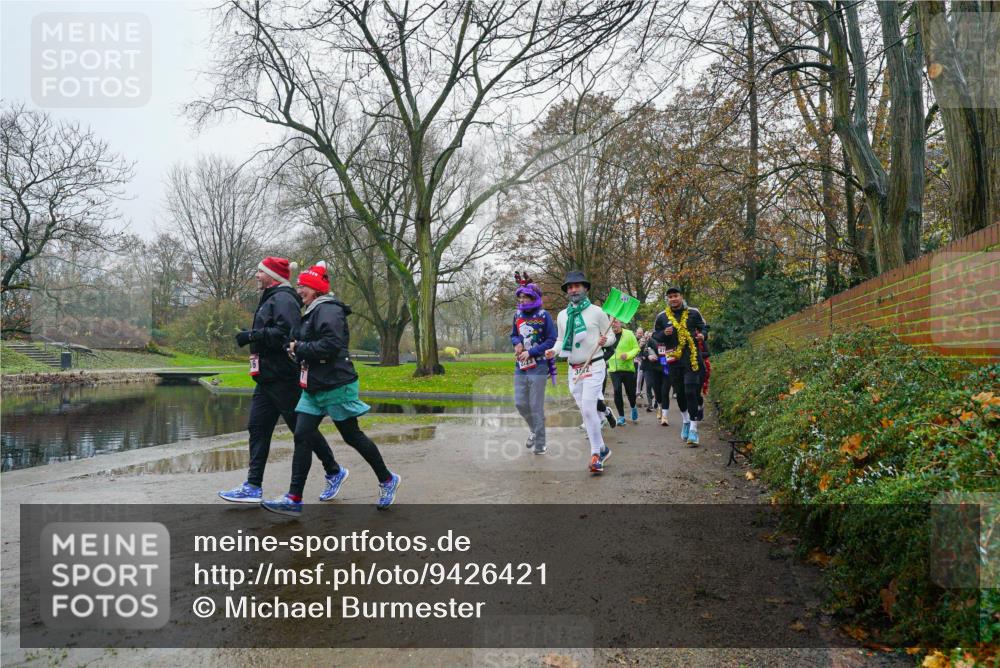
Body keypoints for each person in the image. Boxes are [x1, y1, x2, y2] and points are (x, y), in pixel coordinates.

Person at [261, 262, 400, 516]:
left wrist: (300, 348)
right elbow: (306, 343)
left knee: (352, 436)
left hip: (336, 384)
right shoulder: (312, 311)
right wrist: (292, 348)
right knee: (302, 435)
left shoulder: (328, 310)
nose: (299, 289)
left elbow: (332, 345)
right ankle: (294, 498)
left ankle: (387, 479)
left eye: (303, 285)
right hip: (314, 386)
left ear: (315, 289)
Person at [219, 256, 311, 503]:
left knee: (301, 430)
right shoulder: (272, 297)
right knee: (257, 428)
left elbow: (286, 333)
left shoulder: (282, 298)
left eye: (260, 272)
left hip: (282, 376)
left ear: (273, 275)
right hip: (267, 377)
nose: (257, 276)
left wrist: (251, 335)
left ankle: (333, 470)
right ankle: (253, 486)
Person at [545, 270, 616, 474]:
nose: (573, 289)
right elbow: (560, 340)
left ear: (585, 288)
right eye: (570, 287)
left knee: (587, 409)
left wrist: (606, 340)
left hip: (594, 365)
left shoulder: (597, 312)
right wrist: (553, 351)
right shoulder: (562, 315)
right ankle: (602, 448)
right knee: (586, 411)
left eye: (577, 286)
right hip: (573, 369)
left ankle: (595, 453)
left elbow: (610, 336)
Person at [653, 286, 708, 445]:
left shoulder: (693, 312)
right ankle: (685, 421)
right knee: (681, 393)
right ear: (667, 300)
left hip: (691, 358)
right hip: (673, 360)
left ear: (681, 296)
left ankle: (693, 429)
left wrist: (702, 335)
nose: (673, 299)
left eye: (676, 295)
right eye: (670, 297)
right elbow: (655, 336)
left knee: (691, 391)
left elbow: (704, 327)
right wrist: (664, 333)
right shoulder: (662, 317)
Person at [510, 273, 557, 455]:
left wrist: (531, 351)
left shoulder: (544, 315)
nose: (522, 300)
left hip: (539, 365)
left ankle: (540, 442)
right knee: (521, 403)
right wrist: (517, 343)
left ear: (534, 297)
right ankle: (533, 429)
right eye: (520, 297)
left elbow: (552, 339)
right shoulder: (517, 315)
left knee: (536, 405)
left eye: (526, 296)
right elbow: (514, 334)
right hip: (520, 367)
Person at [607, 318, 640, 425]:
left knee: (630, 392)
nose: (613, 325)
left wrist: (628, 355)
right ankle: (621, 417)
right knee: (617, 391)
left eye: (615, 322)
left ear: (620, 323)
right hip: (614, 369)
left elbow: (636, 348)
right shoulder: (608, 336)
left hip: (627, 368)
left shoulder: (629, 334)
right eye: (611, 323)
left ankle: (633, 406)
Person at [644, 329, 674, 426]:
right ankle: (660, 407)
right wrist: (649, 356)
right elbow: (645, 352)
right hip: (655, 369)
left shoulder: (672, 338)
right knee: (657, 391)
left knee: (665, 391)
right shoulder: (652, 338)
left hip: (667, 369)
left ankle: (665, 417)